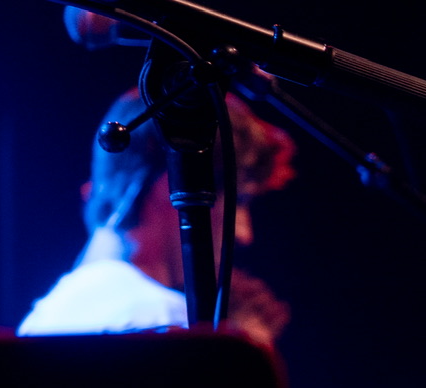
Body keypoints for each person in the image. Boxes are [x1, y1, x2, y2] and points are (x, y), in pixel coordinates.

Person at [18, 87, 296, 345]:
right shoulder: (163, 323)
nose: (244, 234)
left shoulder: (41, 322)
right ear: (175, 184)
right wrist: (240, 353)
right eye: (238, 201)